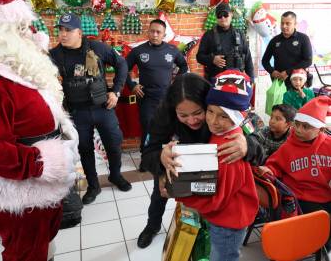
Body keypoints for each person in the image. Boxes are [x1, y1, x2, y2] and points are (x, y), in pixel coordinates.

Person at [0, 0, 80, 260]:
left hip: (38, 184)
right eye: (20, 26)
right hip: (22, 187)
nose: (30, 32)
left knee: (43, 244)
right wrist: (43, 162)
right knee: (26, 252)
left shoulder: (10, 64)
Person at [137, 73, 266, 248]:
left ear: (209, 102)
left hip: (210, 170)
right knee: (159, 194)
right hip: (174, 165)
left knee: (206, 203)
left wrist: (247, 144)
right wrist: (160, 159)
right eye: (183, 115)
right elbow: (147, 153)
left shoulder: (222, 103)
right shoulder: (162, 115)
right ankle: (152, 227)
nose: (191, 120)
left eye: (198, 113)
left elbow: (260, 139)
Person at [175, 69, 258, 261]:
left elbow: (217, 199)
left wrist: (181, 195)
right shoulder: (221, 133)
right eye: (210, 111)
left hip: (228, 222)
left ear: (237, 116)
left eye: (224, 116)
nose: (213, 121)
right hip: (224, 216)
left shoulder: (230, 150)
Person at [49, 13, 131, 205]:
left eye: (68, 30)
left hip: (104, 107)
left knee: (114, 144)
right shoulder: (55, 55)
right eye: (60, 30)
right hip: (78, 112)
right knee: (85, 149)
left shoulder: (96, 47)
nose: (63, 34)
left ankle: (116, 175)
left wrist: (116, 92)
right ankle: (94, 186)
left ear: (79, 32)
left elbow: (122, 64)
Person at [259, 96, 331, 252]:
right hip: (298, 198)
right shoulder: (288, 146)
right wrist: (269, 170)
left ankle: (323, 246)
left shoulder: (329, 145)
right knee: (319, 221)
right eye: (297, 124)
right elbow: (274, 165)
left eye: (306, 127)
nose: (298, 130)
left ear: (321, 129)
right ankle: (318, 245)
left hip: (325, 196)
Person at [126, 19, 188, 152]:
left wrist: (177, 81)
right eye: (152, 31)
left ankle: (163, 157)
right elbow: (123, 69)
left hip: (167, 96)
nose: (155, 35)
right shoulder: (138, 51)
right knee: (148, 127)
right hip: (146, 97)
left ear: (164, 35)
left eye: (158, 32)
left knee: (167, 127)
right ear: (148, 32)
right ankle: (146, 158)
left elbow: (183, 65)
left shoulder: (172, 50)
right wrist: (132, 85)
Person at [196, 2, 254, 82]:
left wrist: (251, 79)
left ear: (231, 15)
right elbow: (199, 57)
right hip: (215, 81)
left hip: (237, 81)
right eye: (219, 16)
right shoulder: (208, 35)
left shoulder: (240, 34)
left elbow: (248, 58)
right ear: (216, 18)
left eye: (225, 14)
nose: (223, 18)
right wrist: (212, 59)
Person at [262, 11, 313, 89]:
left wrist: (288, 72)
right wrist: (272, 71)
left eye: (288, 23)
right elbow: (265, 61)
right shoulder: (274, 41)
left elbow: (308, 61)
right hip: (279, 83)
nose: (284, 26)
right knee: (280, 101)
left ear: (295, 24)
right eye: (282, 23)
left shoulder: (303, 38)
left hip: (298, 83)